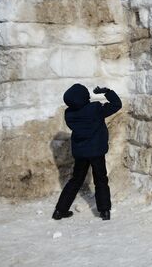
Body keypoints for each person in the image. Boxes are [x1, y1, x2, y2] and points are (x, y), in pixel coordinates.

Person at [52, 84, 122, 221]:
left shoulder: (69, 114)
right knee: (101, 180)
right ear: (84, 97)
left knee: (76, 180)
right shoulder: (95, 109)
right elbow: (116, 104)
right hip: (96, 151)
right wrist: (107, 92)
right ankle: (105, 211)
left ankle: (59, 211)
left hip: (81, 153)